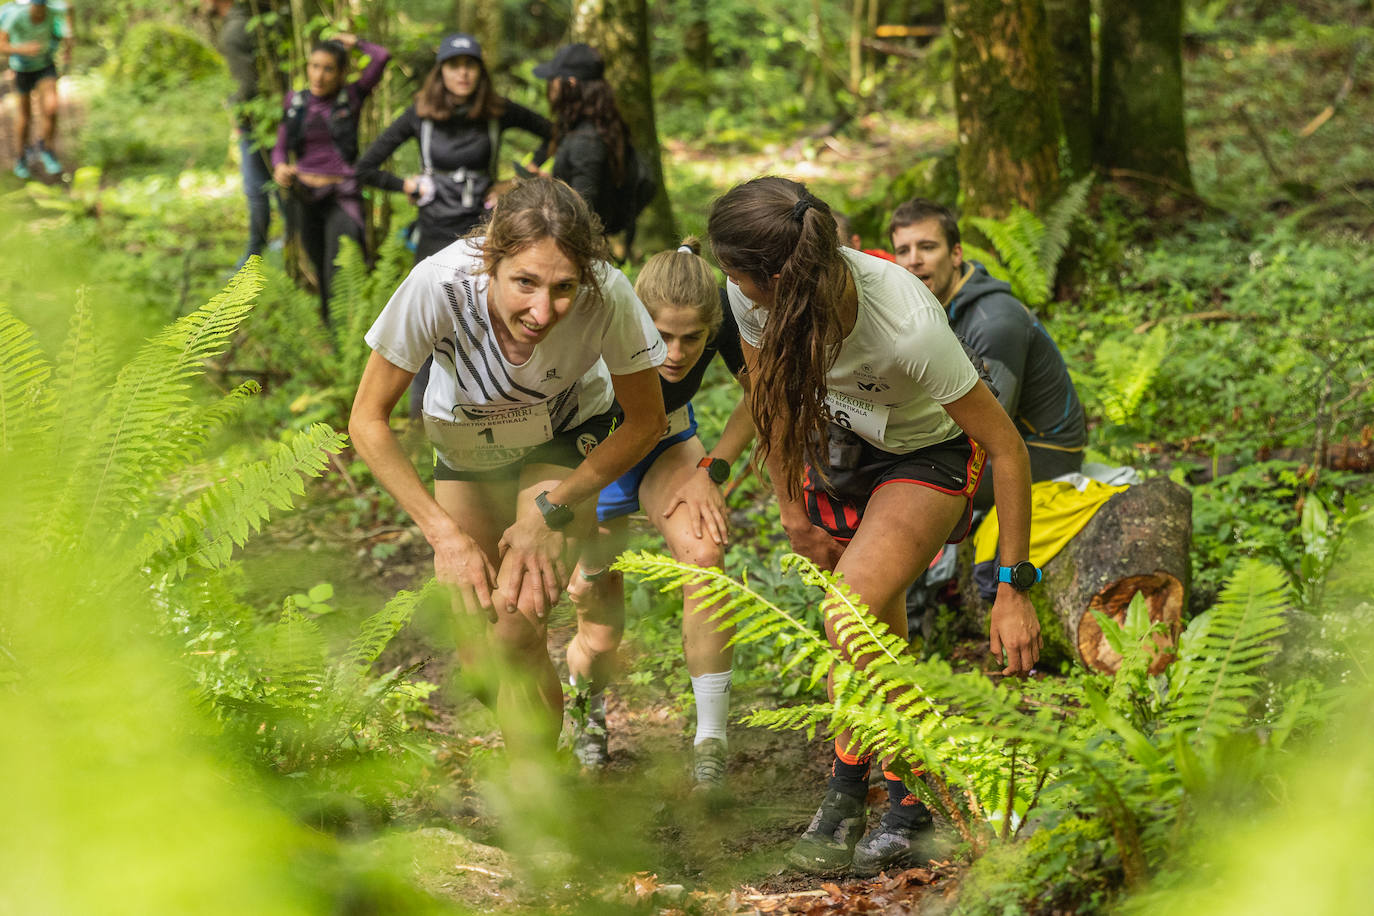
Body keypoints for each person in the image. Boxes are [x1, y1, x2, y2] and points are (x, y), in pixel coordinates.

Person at [706, 177, 1041, 876]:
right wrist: (791, 511)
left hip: (931, 452)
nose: (727, 282)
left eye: (733, 270)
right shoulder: (749, 297)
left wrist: (1013, 586)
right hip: (843, 450)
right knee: (872, 632)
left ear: (773, 276)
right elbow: (771, 401)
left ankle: (911, 789)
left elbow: (1006, 447)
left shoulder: (905, 323)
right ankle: (867, 796)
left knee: (848, 613)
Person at [349, 176, 668, 754]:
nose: (543, 311)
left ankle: (540, 796)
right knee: (480, 655)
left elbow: (647, 422)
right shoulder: (437, 285)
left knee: (517, 625)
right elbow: (366, 420)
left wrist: (554, 508)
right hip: (466, 445)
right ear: (490, 260)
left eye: (563, 287)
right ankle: (536, 741)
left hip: (566, 435)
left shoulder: (609, 296)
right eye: (525, 282)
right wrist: (443, 536)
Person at [559, 239, 754, 787]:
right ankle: (586, 715)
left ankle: (710, 742)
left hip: (666, 448)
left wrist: (712, 470)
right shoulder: (596, 324)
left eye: (692, 337)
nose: (675, 351)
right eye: (661, 335)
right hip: (592, 459)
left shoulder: (722, 320)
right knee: (598, 621)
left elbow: (760, 393)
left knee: (705, 556)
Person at [355, 32, 551, 415]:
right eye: (454, 66)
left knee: (487, 317)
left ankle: (486, 407)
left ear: (479, 71)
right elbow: (366, 167)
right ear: (441, 71)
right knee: (428, 320)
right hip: (433, 232)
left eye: (470, 65)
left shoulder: (498, 110)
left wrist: (519, 178)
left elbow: (553, 132)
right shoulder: (420, 114)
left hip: (486, 233)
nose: (462, 74)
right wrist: (405, 184)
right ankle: (420, 415)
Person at [889, 198, 1085, 508]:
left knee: (903, 490)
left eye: (927, 247)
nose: (913, 261)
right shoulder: (934, 308)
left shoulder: (995, 322)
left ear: (956, 254)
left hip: (1045, 456)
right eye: (903, 251)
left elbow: (985, 428)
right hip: (1010, 443)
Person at [270, 33, 390, 325]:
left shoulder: (351, 97)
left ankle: (350, 334)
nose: (318, 75)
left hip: (342, 196)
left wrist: (354, 41)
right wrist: (280, 166)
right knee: (319, 266)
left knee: (340, 268)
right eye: (314, 66)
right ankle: (331, 330)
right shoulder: (295, 102)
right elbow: (280, 147)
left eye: (327, 68)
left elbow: (382, 56)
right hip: (303, 196)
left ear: (341, 73)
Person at [203, 0, 277, 270]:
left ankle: (253, 259)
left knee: (257, 189)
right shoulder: (260, 19)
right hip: (270, 116)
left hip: (257, 122)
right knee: (275, 188)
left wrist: (239, 118)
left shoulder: (235, 30)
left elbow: (246, 86)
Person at [534, 43, 635, 239]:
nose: (549, 85)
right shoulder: (598, 127)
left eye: (553, 79)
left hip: (582, 251)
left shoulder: (586, 141)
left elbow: (580, 213)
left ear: (570, 83)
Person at [0, 0, 72, 180]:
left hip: (45, 66)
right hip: (22, 69)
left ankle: (46, 149)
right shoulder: (16, 16)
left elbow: (67, 16)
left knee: (51, 107)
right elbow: (2, 45)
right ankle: (21, 157)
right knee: (25, 116)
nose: (39, 11)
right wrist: (23, 49)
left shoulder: (54, 13)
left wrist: (67, 48)